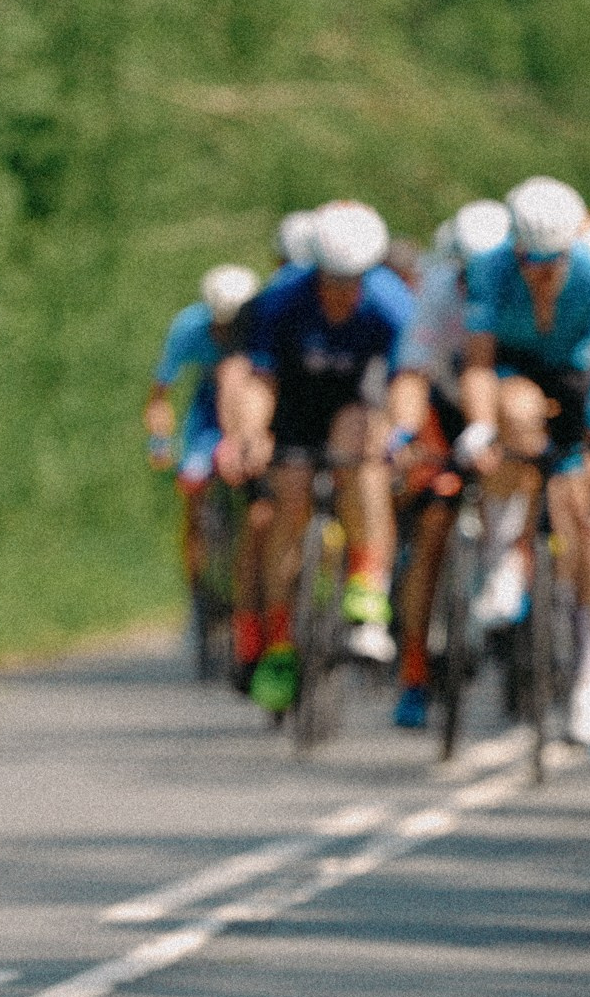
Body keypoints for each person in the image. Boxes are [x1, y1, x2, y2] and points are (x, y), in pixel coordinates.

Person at [216, 201, 410, 712]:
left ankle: (367, 590)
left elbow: (405, 380)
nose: (342, 290)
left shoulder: (391, 301)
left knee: (363, 462)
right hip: (294, 405)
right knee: (289, 501)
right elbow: (259, 379)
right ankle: (281, 643)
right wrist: (251, 433)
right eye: (331, 278)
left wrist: (396, 434)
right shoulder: (281, 300)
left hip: (355, 404)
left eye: (353, 280)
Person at [454, 179, 590, 686]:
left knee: (582, 516)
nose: (538, 274)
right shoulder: (491, 269)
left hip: (576, 380)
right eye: (528, 261)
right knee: (515, 415)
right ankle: (504, 556)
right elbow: (478, 363)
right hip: (516, 371)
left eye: (551, 263)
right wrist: (479, 429)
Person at [385, 200, 510, 728]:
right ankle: (414, 668)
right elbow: (412, 373)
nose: (473, 286)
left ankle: (515, 578)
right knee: (433, 527)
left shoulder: (516, 287)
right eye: (465, 276)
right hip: (445, 402)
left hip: (505, 398)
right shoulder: (436, 291)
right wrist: (407, 434)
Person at [147, 263, 264, 671]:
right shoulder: (189, 328)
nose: (227, 331)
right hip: (207, 422)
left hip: (252, 422)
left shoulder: (263, 326)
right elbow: (160, 393)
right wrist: (160, 440)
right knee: (193, 486)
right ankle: (198, 588)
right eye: (220, 322)